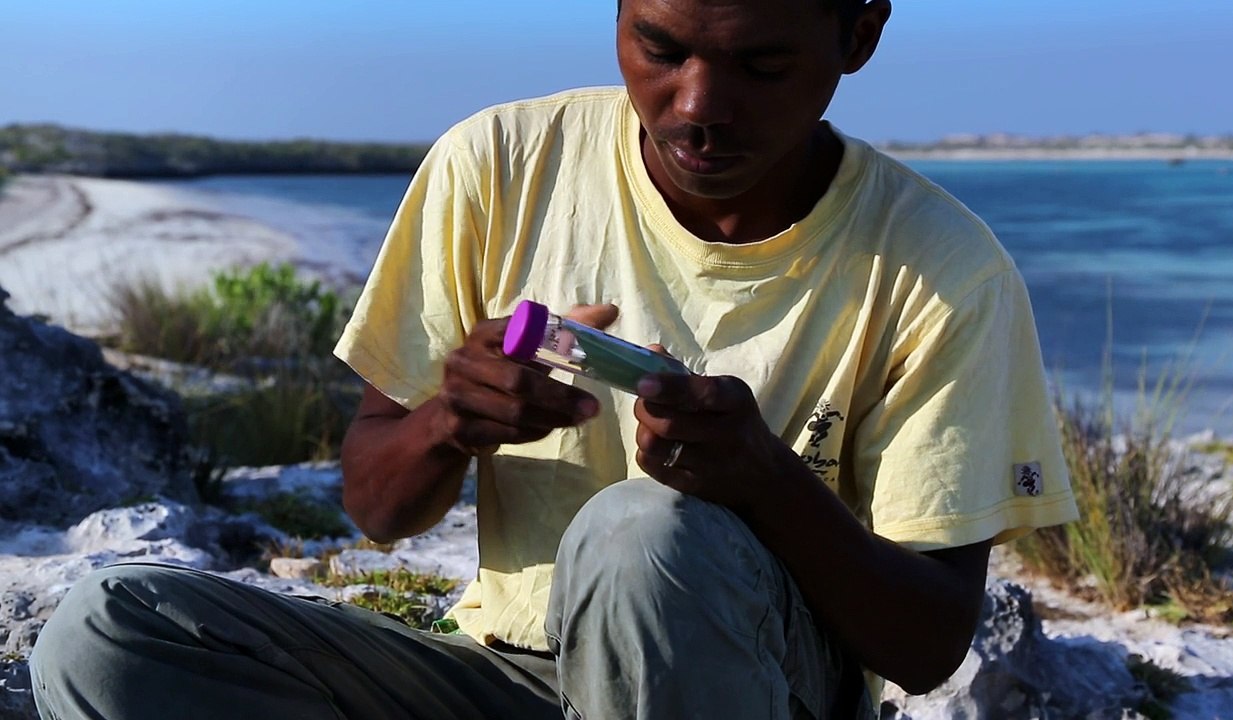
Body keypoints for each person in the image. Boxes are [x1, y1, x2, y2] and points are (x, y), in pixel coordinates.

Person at [31, 0, 1079, 718]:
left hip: (750, 689)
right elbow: (375, 503)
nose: (697, 106)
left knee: (641, 530)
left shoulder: (942, 272)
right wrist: (450, 420)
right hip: (506, 680)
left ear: (858, 34)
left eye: (759, 65)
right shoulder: (495, 165)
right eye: (658, 48)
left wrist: (765, 486)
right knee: (111, 629)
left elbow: (927, 643)